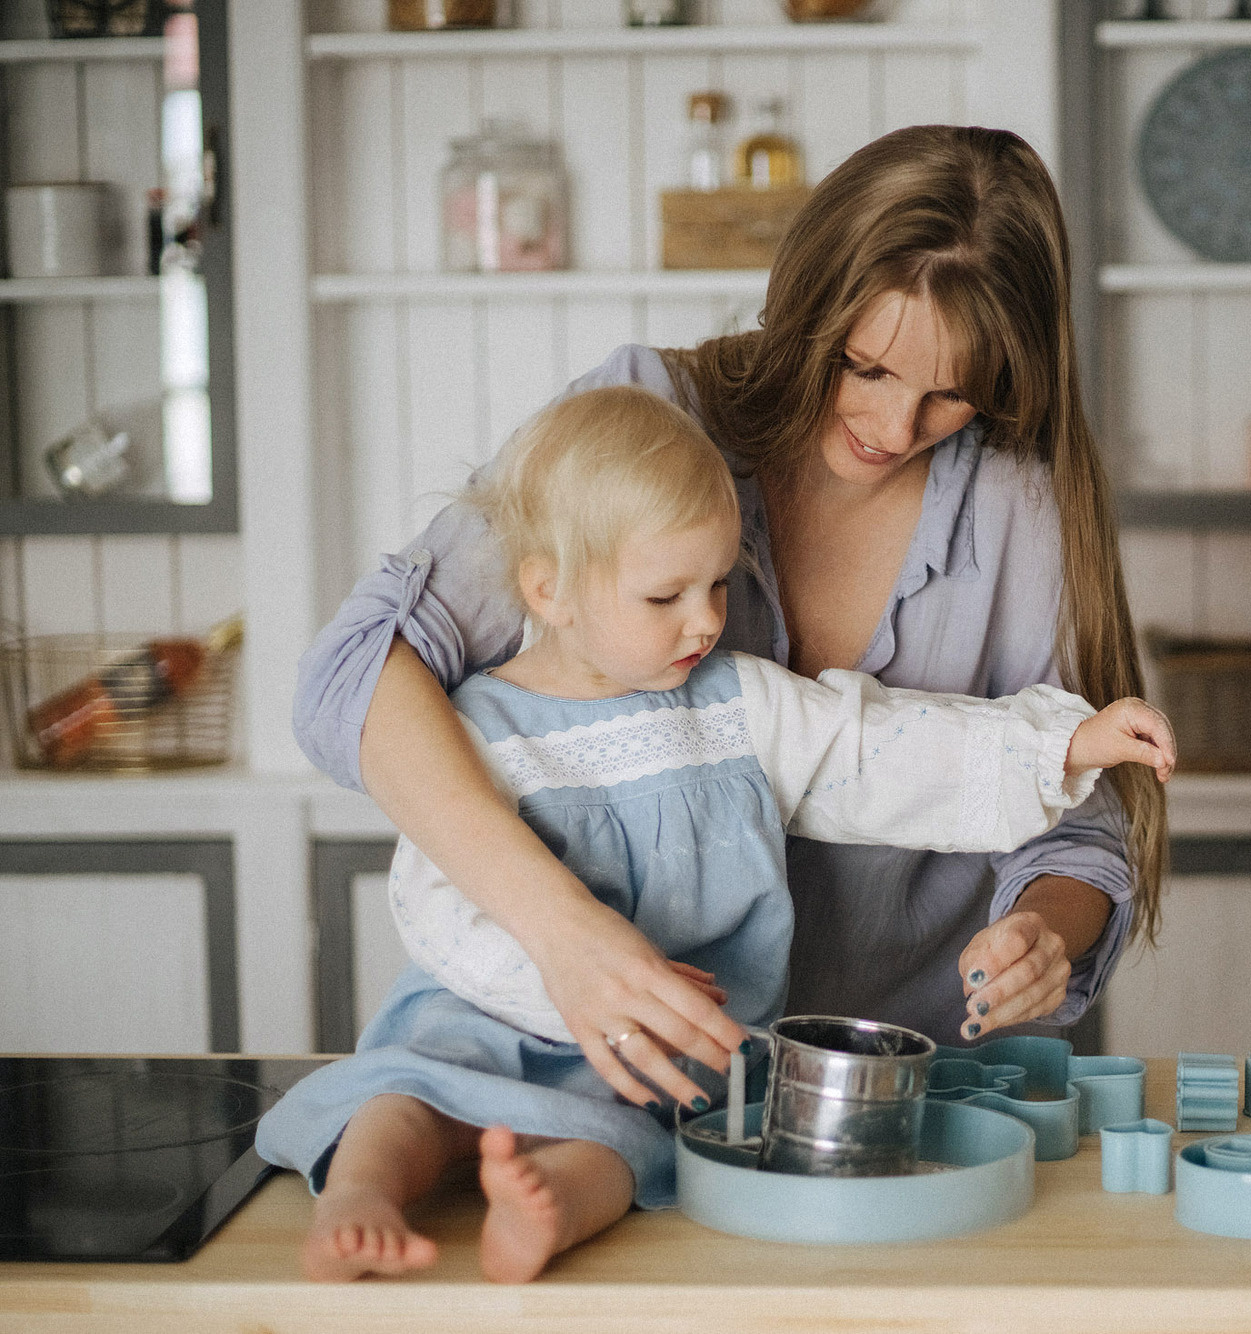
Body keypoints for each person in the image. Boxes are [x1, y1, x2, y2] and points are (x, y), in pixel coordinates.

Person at [292, 123, 1168, 1122]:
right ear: (805, 302)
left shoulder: (1016, 504)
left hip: (907, 1091)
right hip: (628, 1076)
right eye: (866, 368)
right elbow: (355, 677)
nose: (892, 429)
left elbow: (1079, 824)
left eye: (949, 395)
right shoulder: (646, 422)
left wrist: (1043, 932)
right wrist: (568, 938)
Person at [259, 385, 1175, 1283]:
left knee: (625, 1149)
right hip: (486, 1017)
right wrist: (580, 996)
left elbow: (888, 750)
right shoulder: (473, 732)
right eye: (665, 597)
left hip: (656, 1063)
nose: (706, 620)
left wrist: (1062, 744)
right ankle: (362, 1197)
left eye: (718, 584)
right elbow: (439, 906)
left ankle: (542, 1207)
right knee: (402, 1096)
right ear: (551, 590)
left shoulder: (741, 708)